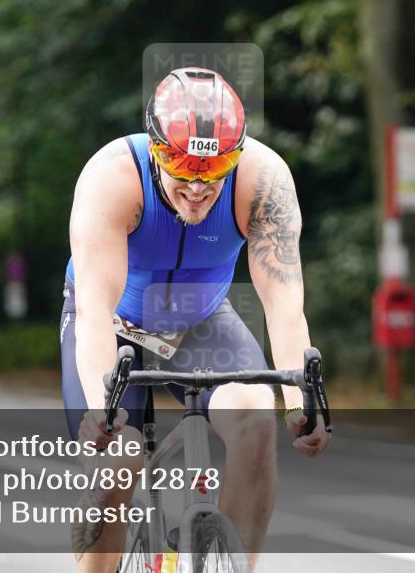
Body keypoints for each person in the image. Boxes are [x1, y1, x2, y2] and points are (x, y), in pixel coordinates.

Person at [61, 67, 332, 573]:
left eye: (214, 170)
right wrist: (102, 407)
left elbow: (284, 304)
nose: (198, 187)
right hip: (114, 323)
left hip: (200, 320)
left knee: (256, 417)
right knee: (117, 457)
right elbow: (96, 311)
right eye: (181, 169)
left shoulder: (263, 181)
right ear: (155, 150)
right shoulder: (112, 178)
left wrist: (302, 401)